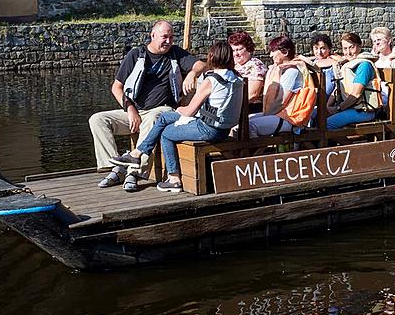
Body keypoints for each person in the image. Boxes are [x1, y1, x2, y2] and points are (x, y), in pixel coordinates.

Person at [108, 41, 244, 192]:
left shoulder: (211, 80)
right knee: (164, 118)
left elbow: (189, 112)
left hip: (209, 129)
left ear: (212, 57)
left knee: (166, 133)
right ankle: (137, 153)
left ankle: (173, 178)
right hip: (224, 128)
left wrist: (178, 108)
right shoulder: (237, 78)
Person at [89, 20, 204, 191]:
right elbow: (116, 87)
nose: (168, 41)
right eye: (164, 37)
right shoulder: (136, 54)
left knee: (152, 119)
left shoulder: (175, 54)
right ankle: (116, 166)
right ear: (153, 35)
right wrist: (130, 108)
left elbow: (202, 64)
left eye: (171, 37)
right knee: (98, 119)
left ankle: (135, 172)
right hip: (135, 110)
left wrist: (192, 73)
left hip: (163, 109)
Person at [249, 36, 315, 138]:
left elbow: (280, 102)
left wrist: (266, 115)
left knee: (249, 126)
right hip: (279, 114)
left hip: (290, 119)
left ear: (285, 52)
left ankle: (257, 152)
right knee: (245, 121)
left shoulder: (292, 72)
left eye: (273, 51)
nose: (270, 55)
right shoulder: (281, 70)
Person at [326, 32, 384, 129]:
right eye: (345, 48)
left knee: (327, 124)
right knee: (317, 118)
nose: (348, 52)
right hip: (350, 108)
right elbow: (337, 88)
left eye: (351, 47)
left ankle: (346, 144)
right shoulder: (347, 65)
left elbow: (356, 94)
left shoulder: (364, 66)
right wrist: (328, 106)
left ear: (360, 47)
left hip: (364, 111)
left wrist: (338, 109)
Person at [228, 31, 267, 116]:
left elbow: (252, 95)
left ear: (248, 48)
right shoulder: (232, 64)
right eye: (233, 50)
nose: (235, 54)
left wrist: (230, 108)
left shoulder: (256, 66)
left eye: (239, 49)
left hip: (250, 108)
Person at [370, 26, 395, 95]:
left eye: (379, 40)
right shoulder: (372, 60)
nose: (377, 43)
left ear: (389, 41)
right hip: (376, 96)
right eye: (374, 41)